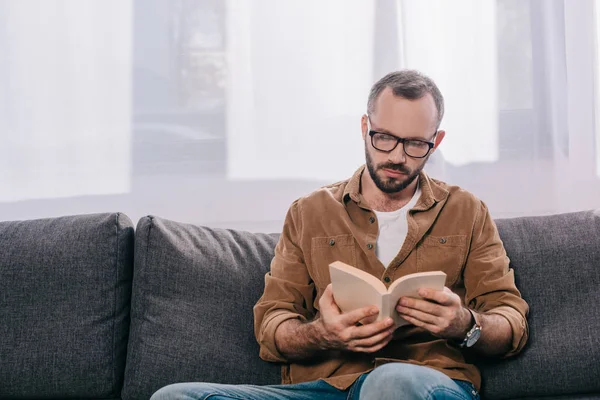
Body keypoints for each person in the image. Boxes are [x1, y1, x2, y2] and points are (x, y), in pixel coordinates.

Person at [151, 70, 529, 400]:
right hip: (324, 390)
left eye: (415, 144)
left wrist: (464, 324)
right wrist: (322, 335)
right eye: (384, 138)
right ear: (365, 128)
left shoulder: (466, 211)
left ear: (437, 140)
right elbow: (271, 327)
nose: (397, 156)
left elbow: (511, 322)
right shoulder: (309, 212)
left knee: (390, 383)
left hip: (430, 384)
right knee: (175, 396)